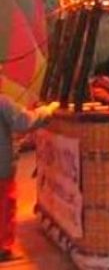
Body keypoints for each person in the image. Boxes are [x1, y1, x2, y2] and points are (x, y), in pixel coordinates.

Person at [1, 96, 59, 261]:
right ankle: (3, 249)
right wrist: (47, 110)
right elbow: (24, 122)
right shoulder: (2, 103)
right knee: (4, 208)